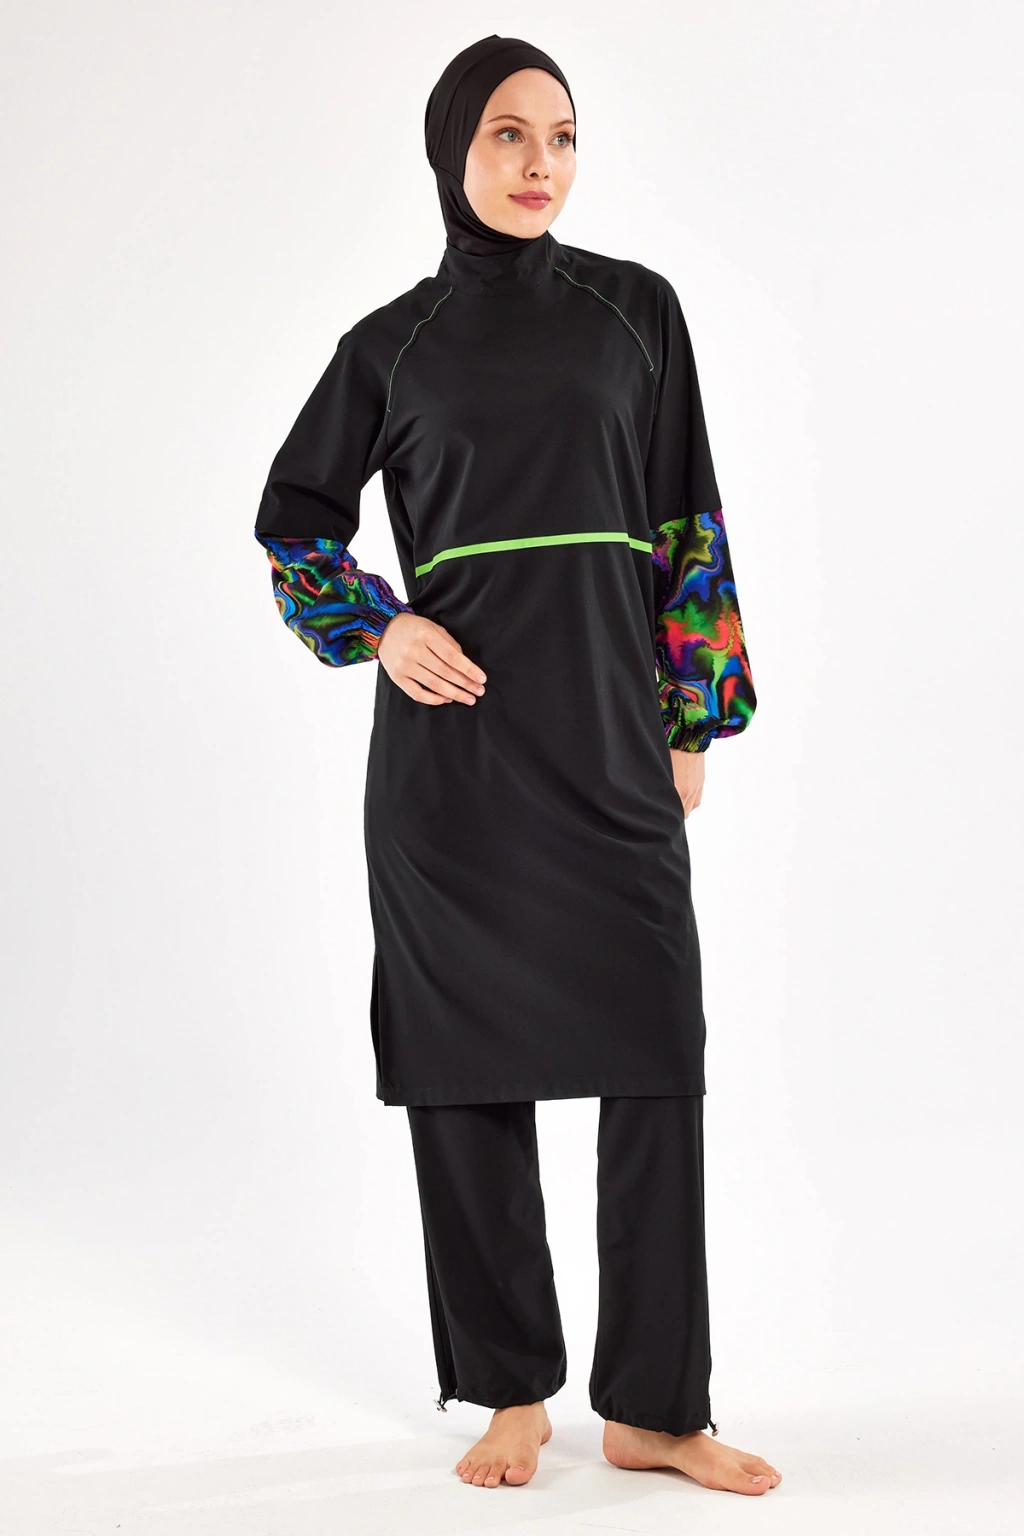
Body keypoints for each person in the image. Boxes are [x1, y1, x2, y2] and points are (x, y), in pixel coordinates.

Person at [253, 33, 778, 1497]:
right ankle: (509, 1396)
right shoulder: (390, 344)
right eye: (507, 134)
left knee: (656, 1060)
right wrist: (380, 626)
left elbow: (688, 522)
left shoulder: (636, 312)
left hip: (611, 750)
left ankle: (656, 1407)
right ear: (453, 151)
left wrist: (690, 720)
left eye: (562, 136)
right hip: (456, 775)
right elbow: (294, 521)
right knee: (465, 1077)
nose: (541, 163)